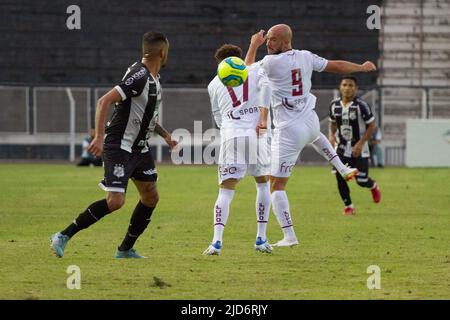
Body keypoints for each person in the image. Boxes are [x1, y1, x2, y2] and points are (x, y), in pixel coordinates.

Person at [245, 24, 376, 246]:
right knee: (316, 137)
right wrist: (361, 68)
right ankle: (343, 168)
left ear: (285, 41)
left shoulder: (270, 62)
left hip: (289, 130)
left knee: (275, 186)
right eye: (266, 39)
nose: (268, 43)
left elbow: (246, 68)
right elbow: (336, 65)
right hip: (310, 121)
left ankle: (289, 236)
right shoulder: (306, 56)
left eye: (272, 40)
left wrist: (253, 45)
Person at [50, 31, 177, 259]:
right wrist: (98, 137)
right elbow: (104, 101)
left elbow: (145, 114)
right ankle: (63, 235)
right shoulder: (139, 75)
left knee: (150, 197)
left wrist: (166, 135)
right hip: (119, 146)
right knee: (115, 201)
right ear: (162, 52)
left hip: (140, 148)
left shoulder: (154, 79)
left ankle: (125, 249)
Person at [203, 44, 273, 255]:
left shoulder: (213, 84)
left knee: (226, 190)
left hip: (231, 136)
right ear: (239, 59)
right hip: (257, 135)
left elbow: (217, 116)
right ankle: (261, 238)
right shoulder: (253, 70)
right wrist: (262, 118)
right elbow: (267, 88)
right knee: (262, 185)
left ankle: (216, 242)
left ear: (220, 64)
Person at [329, 76, 382, 215]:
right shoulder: (334, 105)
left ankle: (373, 185)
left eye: (351, 85)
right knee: (340, 177)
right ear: (340, 87)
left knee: (361, 180)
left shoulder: (361, 106)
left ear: (356, 88)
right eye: (344, 85)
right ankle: (349, 206)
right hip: (341, 148)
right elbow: (333, 123)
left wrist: (360, 143)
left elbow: (372, 126)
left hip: (359, 148)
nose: (347, 88)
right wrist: (331, 136)